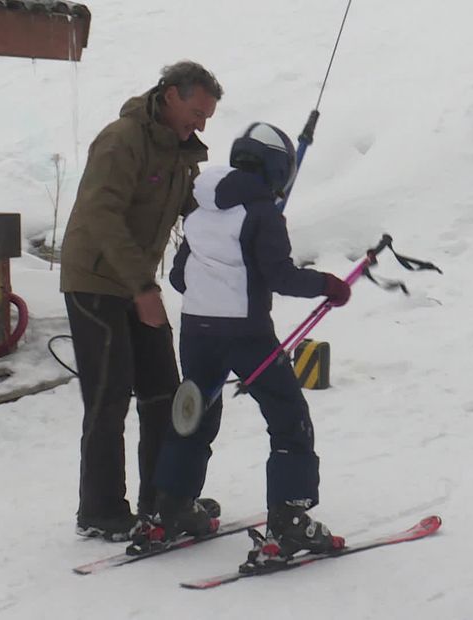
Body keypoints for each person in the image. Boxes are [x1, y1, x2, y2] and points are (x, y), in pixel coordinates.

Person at [150, 122, 351, 557]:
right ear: (277, 168)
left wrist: (215, 289)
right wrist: (329, 285)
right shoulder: (263, 214)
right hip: (247, 334)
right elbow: (280, 276)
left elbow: (180, 276)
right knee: (288, 415)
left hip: (197, 332)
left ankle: (171, 506)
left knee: (195, 413)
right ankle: (290, 520)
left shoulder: (200, 211)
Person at [60, 61, 222, 541]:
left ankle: (161, 497)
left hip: (135, 283)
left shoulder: (180, 154)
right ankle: (101, 508)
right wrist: (142, 289)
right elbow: (100, 216)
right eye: (196, 111)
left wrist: (248, 212)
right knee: (109, 398)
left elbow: (198, 212)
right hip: (95, 281)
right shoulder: (121, 139)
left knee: (163, 395)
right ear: (171, 95)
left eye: (207, 116)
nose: (201, 123)